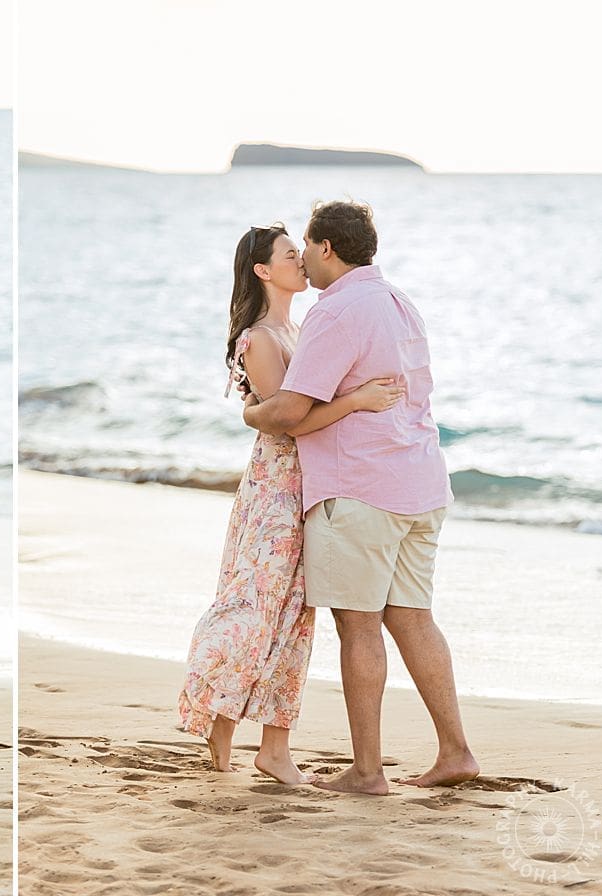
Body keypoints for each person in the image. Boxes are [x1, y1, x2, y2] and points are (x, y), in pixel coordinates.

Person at [243, 201, 479, 795]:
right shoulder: (401, 303)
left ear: (326, 248)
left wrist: (250, 412)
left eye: (306, 246)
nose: (304, 258)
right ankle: (456, 752)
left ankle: (368, 772)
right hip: (420, 484)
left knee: (359, 627)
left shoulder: (336, 311)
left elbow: (291, 414)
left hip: (361, 490)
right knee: (414, 620)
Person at [179, 224, 402, 783]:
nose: (301, 260)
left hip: (314, 485)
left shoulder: (299, 328)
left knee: (296, 617)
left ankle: (273, 746)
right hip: (279, 491)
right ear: (262, 270)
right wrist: (357, 401)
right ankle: (219, 716)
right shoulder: (259, 339)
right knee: (254, 606)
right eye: (288, 255)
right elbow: (290, 425)